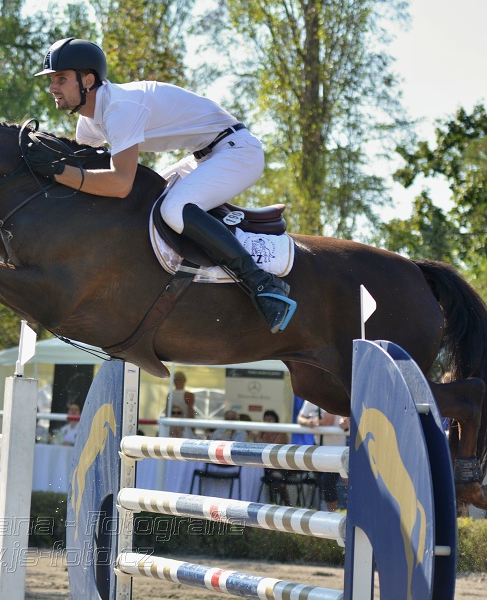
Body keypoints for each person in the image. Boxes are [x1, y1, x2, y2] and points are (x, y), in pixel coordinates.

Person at [31, 38, 295, 334]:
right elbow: (84, 174)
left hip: (238, 152)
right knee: (146, 205)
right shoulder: (90, 121)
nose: (53, 87)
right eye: (53, 80)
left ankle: (264, 284)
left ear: (88, 80)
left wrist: (56, 171)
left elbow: (118, 183)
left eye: (61, 79)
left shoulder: (119, 109)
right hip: (204, 156)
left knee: (174, 209)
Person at [297, 400, 349, 511]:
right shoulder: (310, 399)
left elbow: (328, 420)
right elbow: (300, 418)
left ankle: (339, 514)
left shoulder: (332, 395)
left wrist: (314, 422)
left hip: (337, 452)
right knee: (325, 484)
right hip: (320, 451)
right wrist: (309, 422)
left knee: (338, 481)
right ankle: (333, 515)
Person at [257, 410, 290, 504]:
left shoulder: (281, 433)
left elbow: (275, 449)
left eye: (270, 419)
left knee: (276, 478)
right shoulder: (262, 432)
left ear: (275, 421)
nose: (267, 422)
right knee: (273, 478)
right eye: (265, 419)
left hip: (279, 464)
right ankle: (274, 503)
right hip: (265, 464)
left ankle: (286, 503)